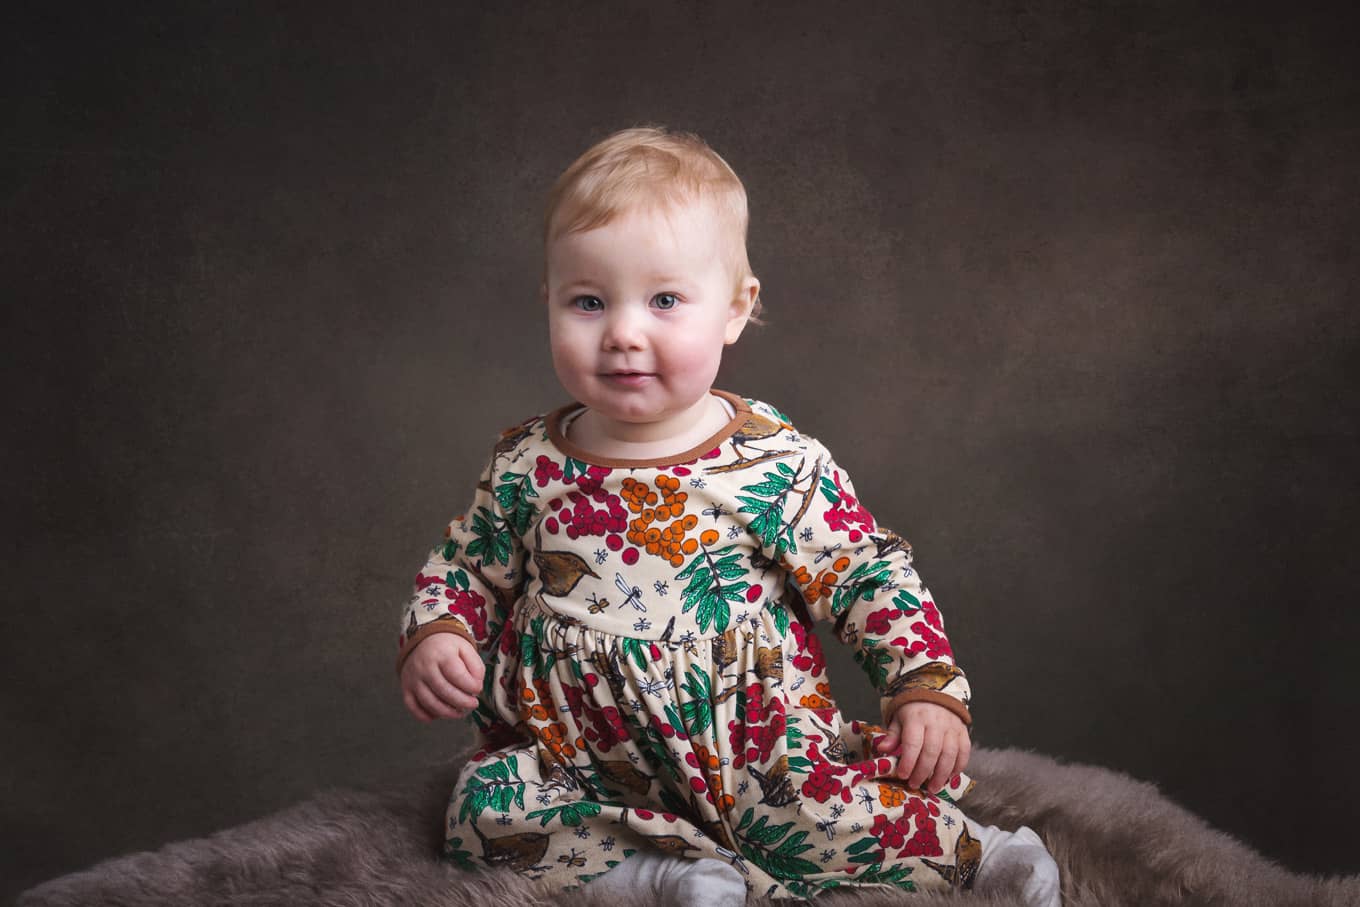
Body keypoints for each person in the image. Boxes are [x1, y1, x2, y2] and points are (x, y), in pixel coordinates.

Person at [396, 125, 1060, 905]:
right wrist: (439, 631)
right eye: (588, 301)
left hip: (752, 750)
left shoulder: (770, 459)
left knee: (831, 817)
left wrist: (924, 686)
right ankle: (658, 875)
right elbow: (466, 567)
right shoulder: (527, 464)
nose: (623, 333)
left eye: (665, 300)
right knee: (481, 815)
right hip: (576, 754)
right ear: (548, 301)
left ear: (735, 309)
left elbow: (863, 571)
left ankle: (985, 860)